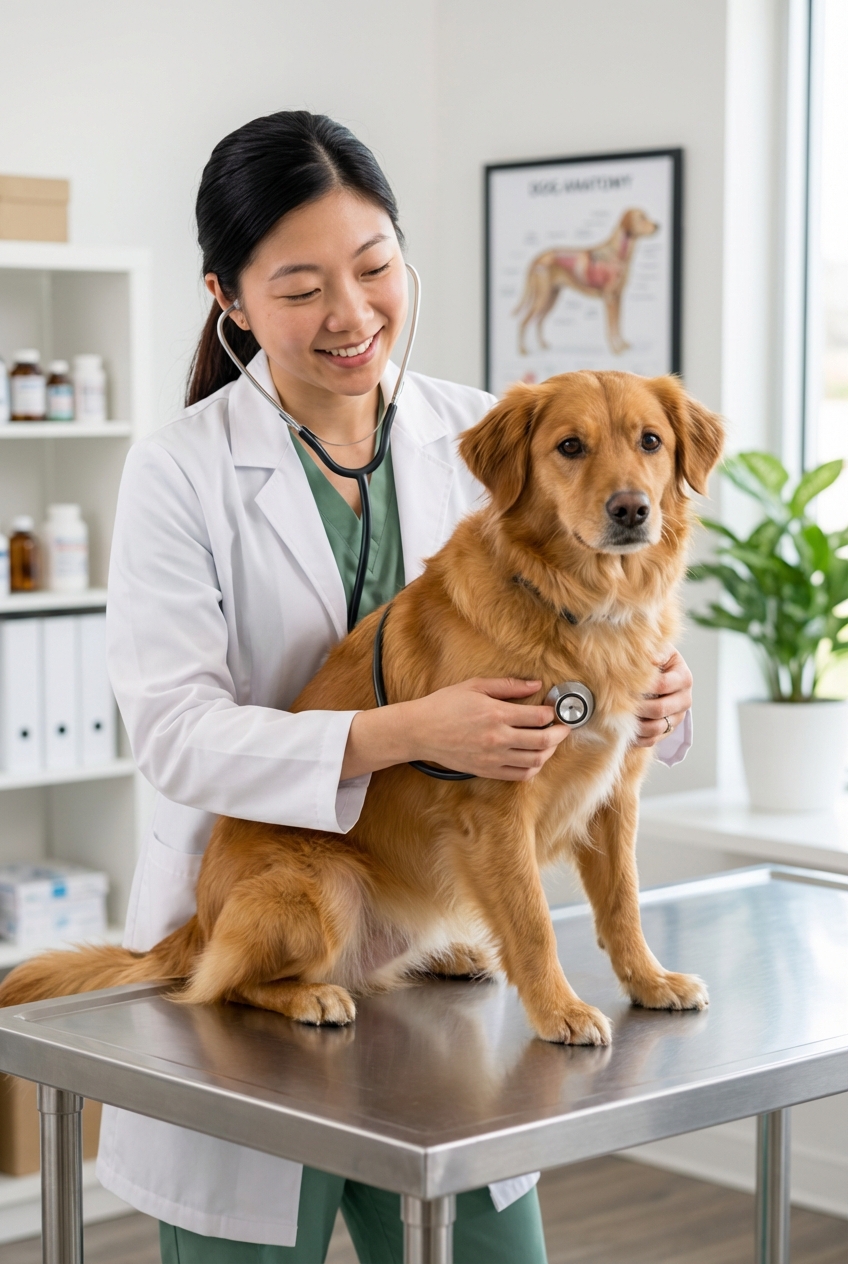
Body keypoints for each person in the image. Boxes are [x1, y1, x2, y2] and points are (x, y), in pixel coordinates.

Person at [97, 111, 694, 1264]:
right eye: (300, 285)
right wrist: (402, 730)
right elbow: (173, 735)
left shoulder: (482, 428)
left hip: (430, 948)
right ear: (229, 300)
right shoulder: (179, 469)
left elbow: (596, 644)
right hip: (278, 912)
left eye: (373, 267)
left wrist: (655, 697)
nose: (351, 313)